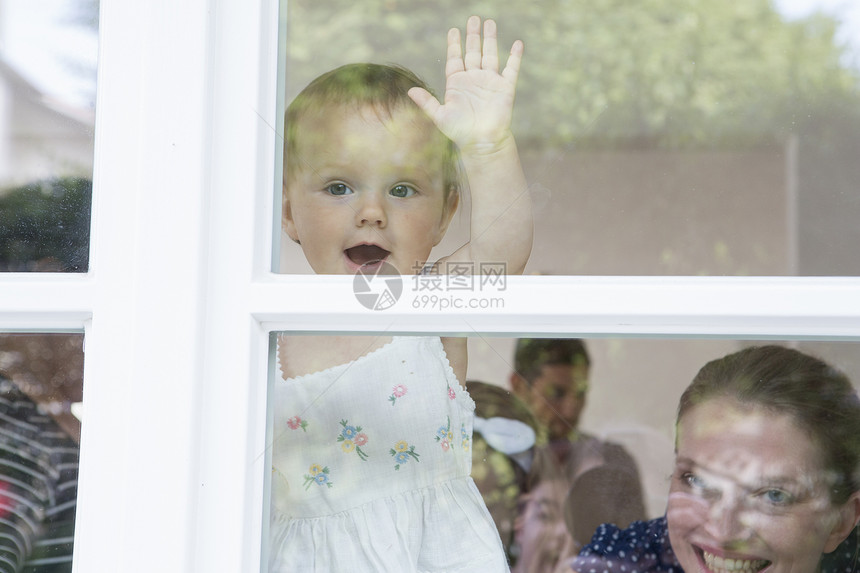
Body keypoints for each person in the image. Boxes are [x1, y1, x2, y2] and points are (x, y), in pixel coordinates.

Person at [269, 15, 532, 572]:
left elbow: (502, 251)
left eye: (403, 189)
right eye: (339, 188)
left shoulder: (431, 305)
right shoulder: (268, 330)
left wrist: (486, 148)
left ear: (445, 217)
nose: (371, 212)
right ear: (290, 213)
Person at [572, 345, 860, 573]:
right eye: (697, 481)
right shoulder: (625, 562)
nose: (723, 533)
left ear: (840, 522)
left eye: (774, 495)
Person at [509, 338, 647, 550]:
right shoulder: (489, 466)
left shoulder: (611, 463)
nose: (572, 409)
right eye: (557, 393)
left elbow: (638, 558)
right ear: (519, 386)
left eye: (581, 393)